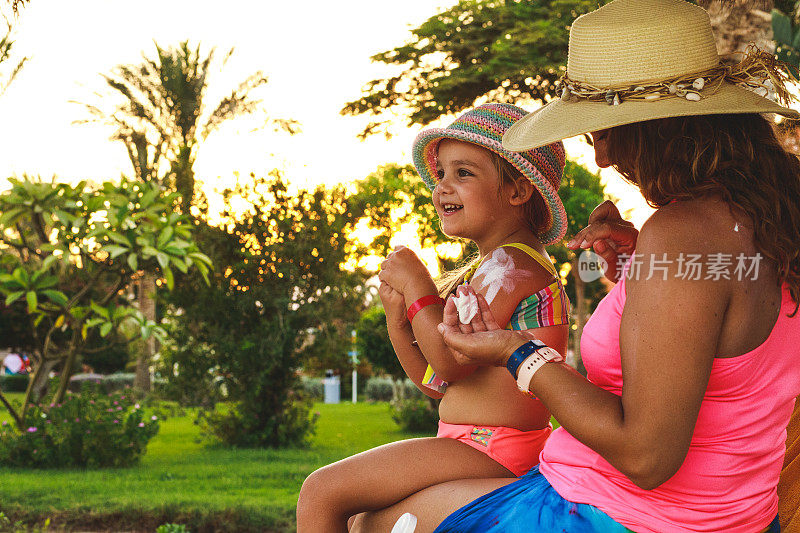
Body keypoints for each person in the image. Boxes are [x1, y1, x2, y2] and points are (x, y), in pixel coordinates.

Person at [350, 0, 800, 531]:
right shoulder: (766, 221)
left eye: (603, 132)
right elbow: (732, 327)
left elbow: (648, 458)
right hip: (729, 514)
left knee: (365, 520)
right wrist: (640, 265)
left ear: (655, 126)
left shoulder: (682, 234)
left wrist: (522, 355)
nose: (603, 158)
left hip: (617, 515)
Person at [296, 103, 571, 532]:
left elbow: (448, 361)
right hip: (472, 441)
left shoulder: (513, 265)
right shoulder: (492, 268)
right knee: (361, 518)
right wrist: (397, 314)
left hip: (493, 445)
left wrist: (419, 286)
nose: (442, 186)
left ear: (518, 191)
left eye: (464, 173)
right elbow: (435, 382)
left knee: (322, 492)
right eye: (441, 173)